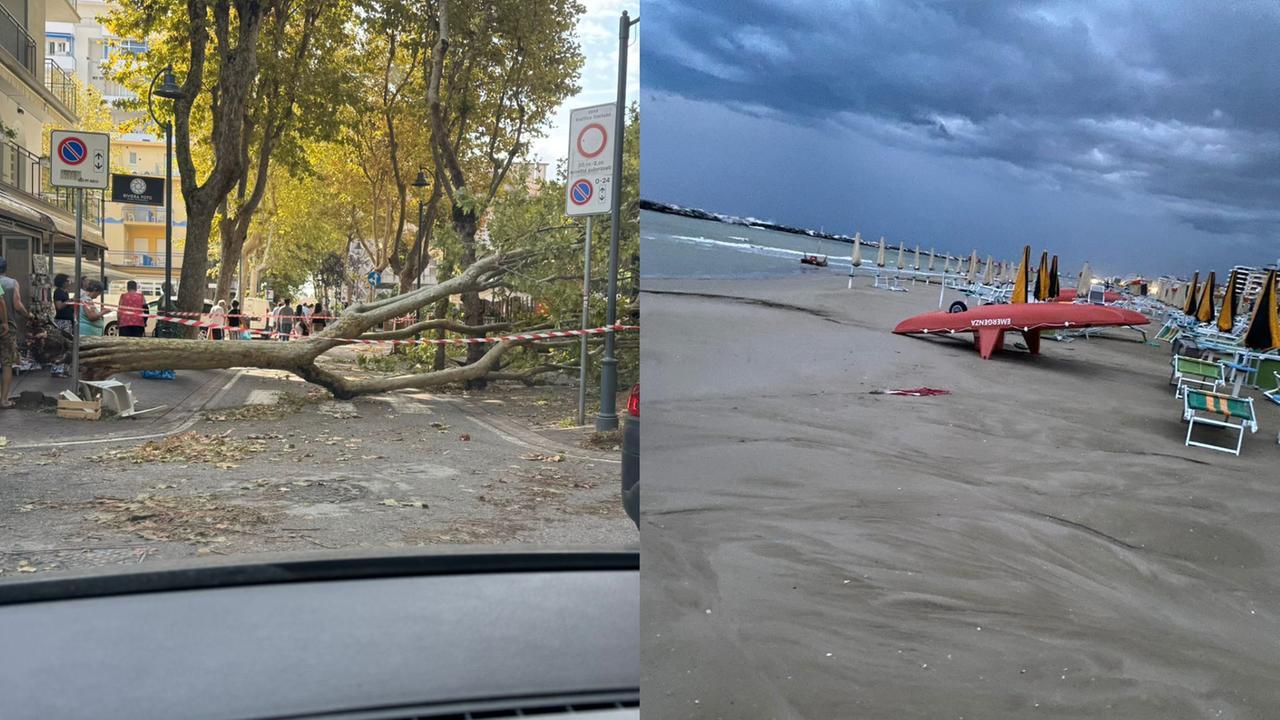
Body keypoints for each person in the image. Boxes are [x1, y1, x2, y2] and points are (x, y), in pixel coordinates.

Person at [50, 274, 74, 377]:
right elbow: (59, 306)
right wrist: (69, 302)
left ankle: (64, 369)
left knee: (68, 346)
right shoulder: (58, 292)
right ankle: (57, 370)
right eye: (68, 281)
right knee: (61, 346)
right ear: (63, 282)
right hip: (62, 321)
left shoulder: (65, 292)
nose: (70, 283)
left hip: (68, 320)